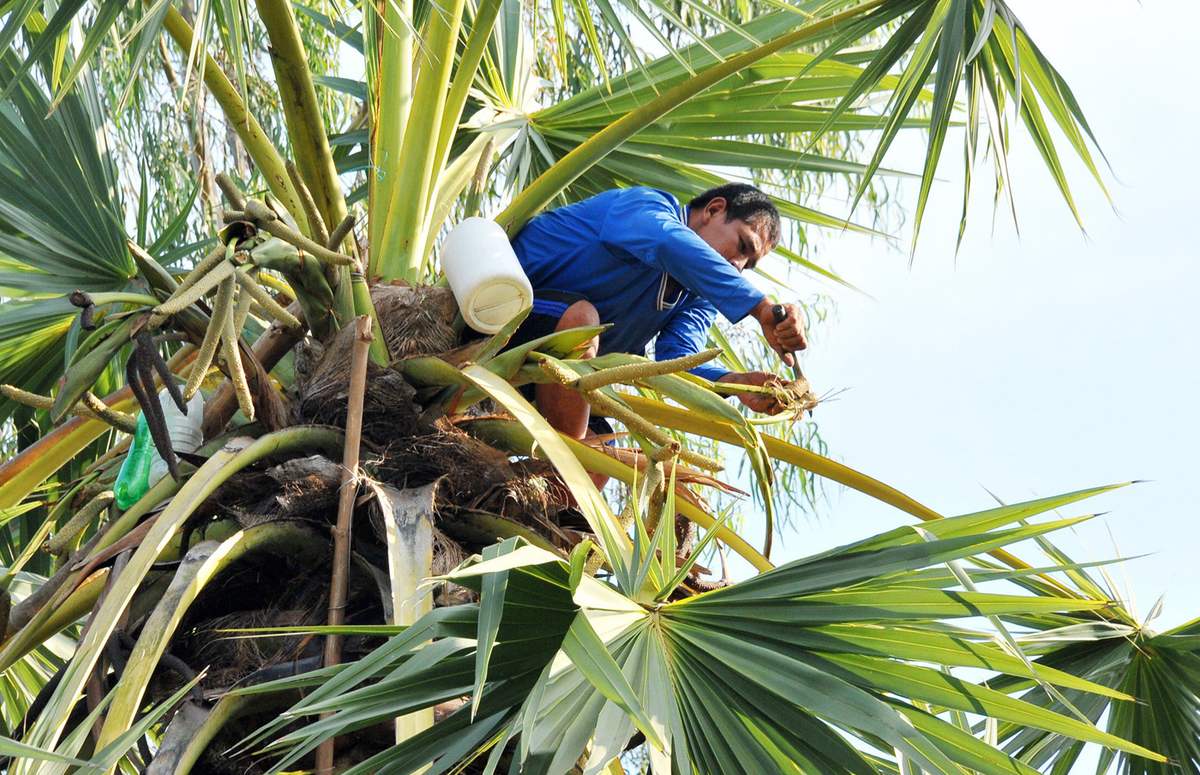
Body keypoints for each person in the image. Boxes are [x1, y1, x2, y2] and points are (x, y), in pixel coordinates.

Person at [508, 182, 808, 441]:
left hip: (550, 377)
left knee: (605, 452)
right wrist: (760, 307)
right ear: (714, 210)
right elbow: (666, 243)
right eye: (743, 245)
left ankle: (545, 481)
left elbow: (677, 361)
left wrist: (734, 382)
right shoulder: (647, 205)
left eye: (747, 265)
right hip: (503, 316)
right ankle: (563, 460)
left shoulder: (697, 297)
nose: (737, 265)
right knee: (582, 322)